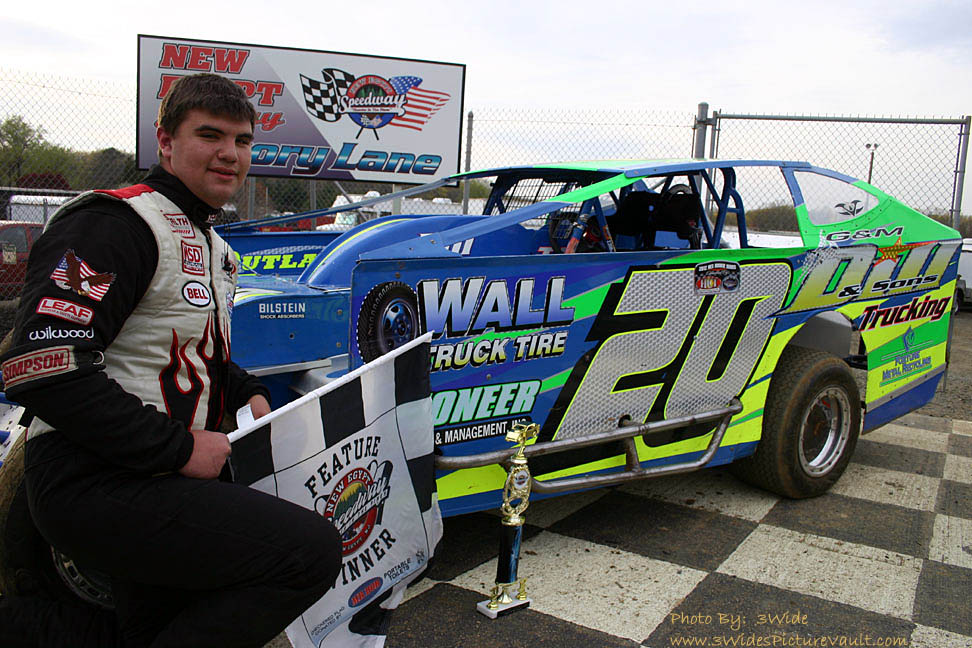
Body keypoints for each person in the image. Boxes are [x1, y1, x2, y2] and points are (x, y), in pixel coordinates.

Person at [0, 73, 341, 647]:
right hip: (94, 477)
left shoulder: (213, 245)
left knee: (150, 630)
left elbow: (184, 353)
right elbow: (43, 366)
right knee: (308, 553)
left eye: (242, 140)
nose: (230, 154)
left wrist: (244, 390)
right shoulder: (116, 222)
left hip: (150, 477)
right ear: (165, 141)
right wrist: (179, 448)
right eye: (210, 135)